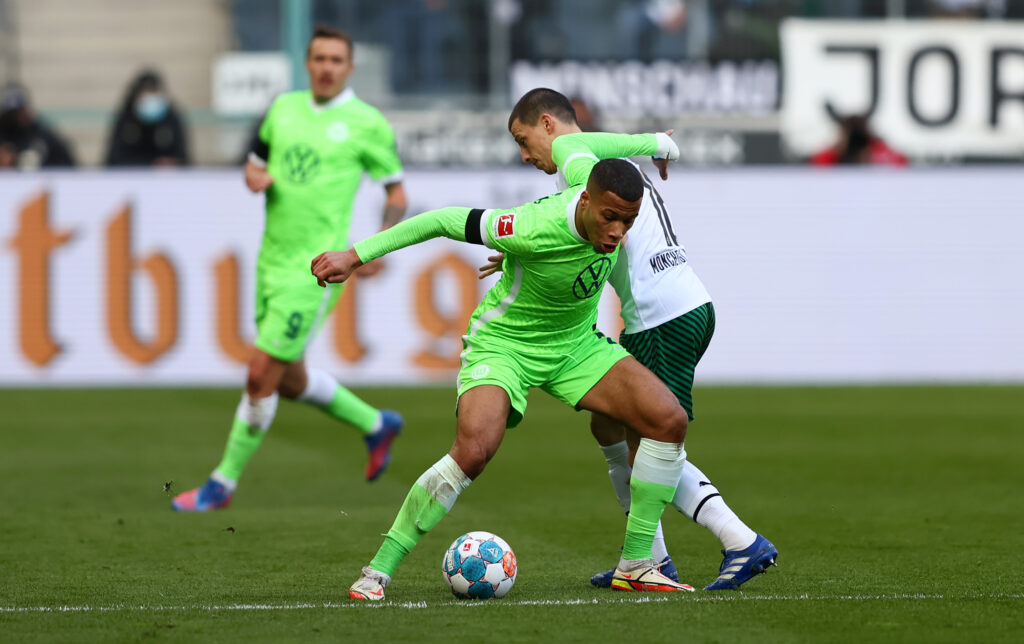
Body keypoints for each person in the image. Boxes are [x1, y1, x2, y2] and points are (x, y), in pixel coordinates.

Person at [314, 138, 697, 601]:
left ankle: (636, 563)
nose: (617, 232)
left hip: (575, 345)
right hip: (504, 346)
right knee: (474, 450)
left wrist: (659, 143)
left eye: (628, 222)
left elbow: (572, 141)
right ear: (585, 200)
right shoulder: (533, 227)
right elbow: (441, 220)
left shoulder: (586, 173)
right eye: (609, 217)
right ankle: (378, 570)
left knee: (668, 420)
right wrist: (353, 257)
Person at [499, 88, 776, 591]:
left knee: (653, 438)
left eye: (524, 139)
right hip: (681, 305)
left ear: (547, 125)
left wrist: (654, 142)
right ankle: (653, 557)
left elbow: (577, 193)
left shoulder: (575, 157)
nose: (525, 154)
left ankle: (739, 540)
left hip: (660, 316)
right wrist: (656, 143)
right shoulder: (607, 164)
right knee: (607, 423)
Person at [171, 25, 407, 512]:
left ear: (350, 68)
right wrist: (253, 176)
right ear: (307, 63)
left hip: (315, 271)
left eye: (336, 60)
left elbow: (397, 194)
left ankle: (222, 483)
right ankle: (376, 424)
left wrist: (374, 249)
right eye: (319, 59)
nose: (327, 68)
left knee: (261, 373)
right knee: (289, 378)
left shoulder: (367, 123)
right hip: (271, 262)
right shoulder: (282, 109)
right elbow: (254, 163)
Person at [105, 70, 190, 167]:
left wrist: (172, 163)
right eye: (146, 93)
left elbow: (184, 159)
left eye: (154, 92)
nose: (150, 97)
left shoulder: (172, 119)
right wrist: (150, 164)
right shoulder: (125, 120)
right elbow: (112, 159)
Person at [0, 83, 76, 169]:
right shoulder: (3, 136)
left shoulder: (43, 137)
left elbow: (69, 167)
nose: (15, 118)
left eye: (18, 112)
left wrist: (18, 162)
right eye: (11, 114)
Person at [810, 115, 907, 167]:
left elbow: (901, 162)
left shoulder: (880, 153)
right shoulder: (830, 156)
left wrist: (876, 149)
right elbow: (816, 163)